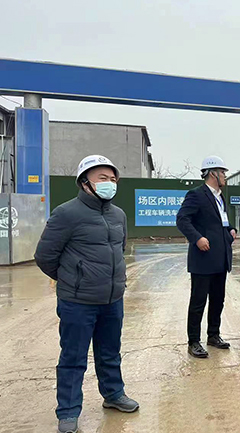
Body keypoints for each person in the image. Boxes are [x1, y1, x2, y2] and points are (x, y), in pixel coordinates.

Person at [35, 155, 139, 433]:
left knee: (110, 352)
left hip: (112, 300)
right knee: (73, 358)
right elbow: (45, 256)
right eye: (102, 178)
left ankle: (113, 394)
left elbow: (119, 250)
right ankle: (68, 411)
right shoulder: (66, 213)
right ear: (84, 182)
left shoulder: (118, 215)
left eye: (113, 179)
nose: (109, 183)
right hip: (77, 302)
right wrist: (74, 279)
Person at [176, 155, 237, 358]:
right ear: (213, 173)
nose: (225, 176)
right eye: (223, 173)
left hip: (221, 258)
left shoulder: (220, 196)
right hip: (203, 259)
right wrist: (197, 238)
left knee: (218, 300)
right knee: (198, 301)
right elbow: (182, 219)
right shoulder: (196, 195)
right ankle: (194, 341)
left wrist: (231, 229)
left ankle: (213, 335)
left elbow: (222, 221)